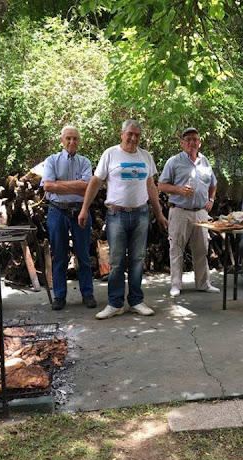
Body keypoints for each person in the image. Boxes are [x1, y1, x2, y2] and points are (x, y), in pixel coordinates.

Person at [78, 119, 168, 319]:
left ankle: (136, 301)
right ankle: (115, 303)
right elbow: (95, 182)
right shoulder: (110, 154)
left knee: (138, 259)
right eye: (130, 134)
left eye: (137, 135)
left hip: (141, 214)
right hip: (116, 215)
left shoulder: (146, 156)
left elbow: (151, 186)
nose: (133, 138)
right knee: (117, 260)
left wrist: (159, 213)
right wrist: (84, 209)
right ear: (122, 134)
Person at [158, 127, 220, 297]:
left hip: (201, 212)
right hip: (180, 211)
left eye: (195, 139)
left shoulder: (205, 161)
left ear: (200, 142)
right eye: (188, 140)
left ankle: (203, 283)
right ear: (182, 143)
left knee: (202, 249)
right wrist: (179, 190)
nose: (192, 142)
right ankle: (176, 285)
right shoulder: (173, 161)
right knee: (176, 248)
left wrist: (211, 200)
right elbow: (161, 185)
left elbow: (213, 184)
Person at [42, 126, 96, 311]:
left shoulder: (85, 162)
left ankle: (87, 294)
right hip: (57, 211)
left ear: (79, 141)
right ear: (62, 140)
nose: (72, 142)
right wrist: (77, 186)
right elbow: (48, 186)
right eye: (68, 138)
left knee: (83, 255)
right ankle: (59, 296)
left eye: (75, 138)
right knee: (59, 255)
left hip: (80, 211)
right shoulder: (52, 160)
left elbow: (88, 187)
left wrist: (60, 184)